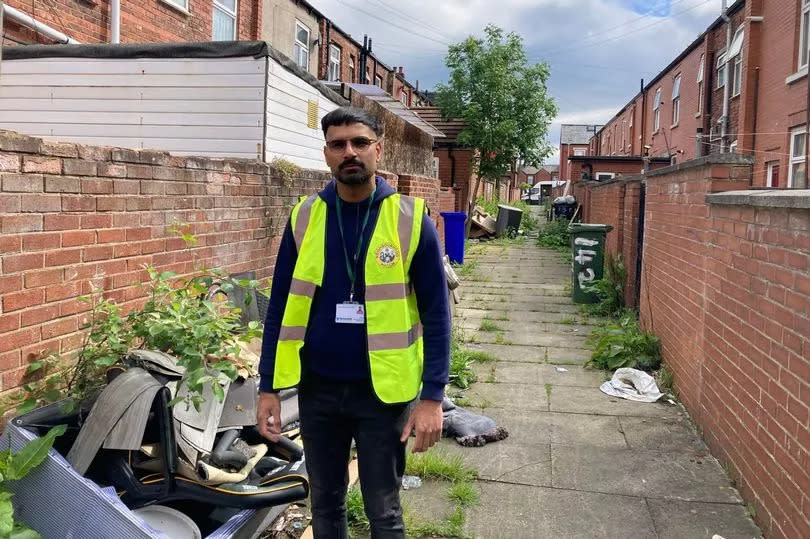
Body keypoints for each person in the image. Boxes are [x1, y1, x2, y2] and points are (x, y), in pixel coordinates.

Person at [256, 106, 451, 538]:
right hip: (318, 390)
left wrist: (433, 396)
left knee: (384, 512)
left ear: (378, 150)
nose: (350, 152)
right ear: (326, 154)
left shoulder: (409, 219)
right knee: (324, 505)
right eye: (338, 144)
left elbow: (438, 315)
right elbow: (279, 307)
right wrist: (268, 386)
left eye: (360, 142)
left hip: (383, 395)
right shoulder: (305, 217)